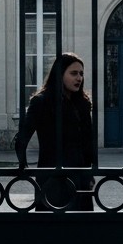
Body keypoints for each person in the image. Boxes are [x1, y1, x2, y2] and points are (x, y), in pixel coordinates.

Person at [15, 52, 96, 211]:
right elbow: (22, 138)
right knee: (52, 229)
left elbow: (88, 141)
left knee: (82, 229)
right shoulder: (41, 102)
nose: (79, 78)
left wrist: (90, 171)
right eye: (73, 73)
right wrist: (22, 166)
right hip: (52, 176)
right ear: (59, 75)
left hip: (80, 177)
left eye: (81, 74)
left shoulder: (82, 103)